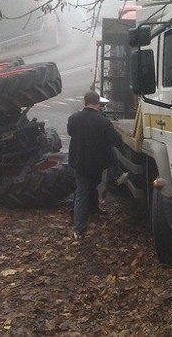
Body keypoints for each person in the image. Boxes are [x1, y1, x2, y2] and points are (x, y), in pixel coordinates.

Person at [67, 90, 127, 239]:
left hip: (78, 161)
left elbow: (70, 133)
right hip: (96, 163)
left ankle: (81, 222)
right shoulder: (103, 122)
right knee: (85, 190)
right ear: (98, 103)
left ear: (85, 102)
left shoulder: (74, 118)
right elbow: (117, 141)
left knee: (83, 189)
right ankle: (79, 226)